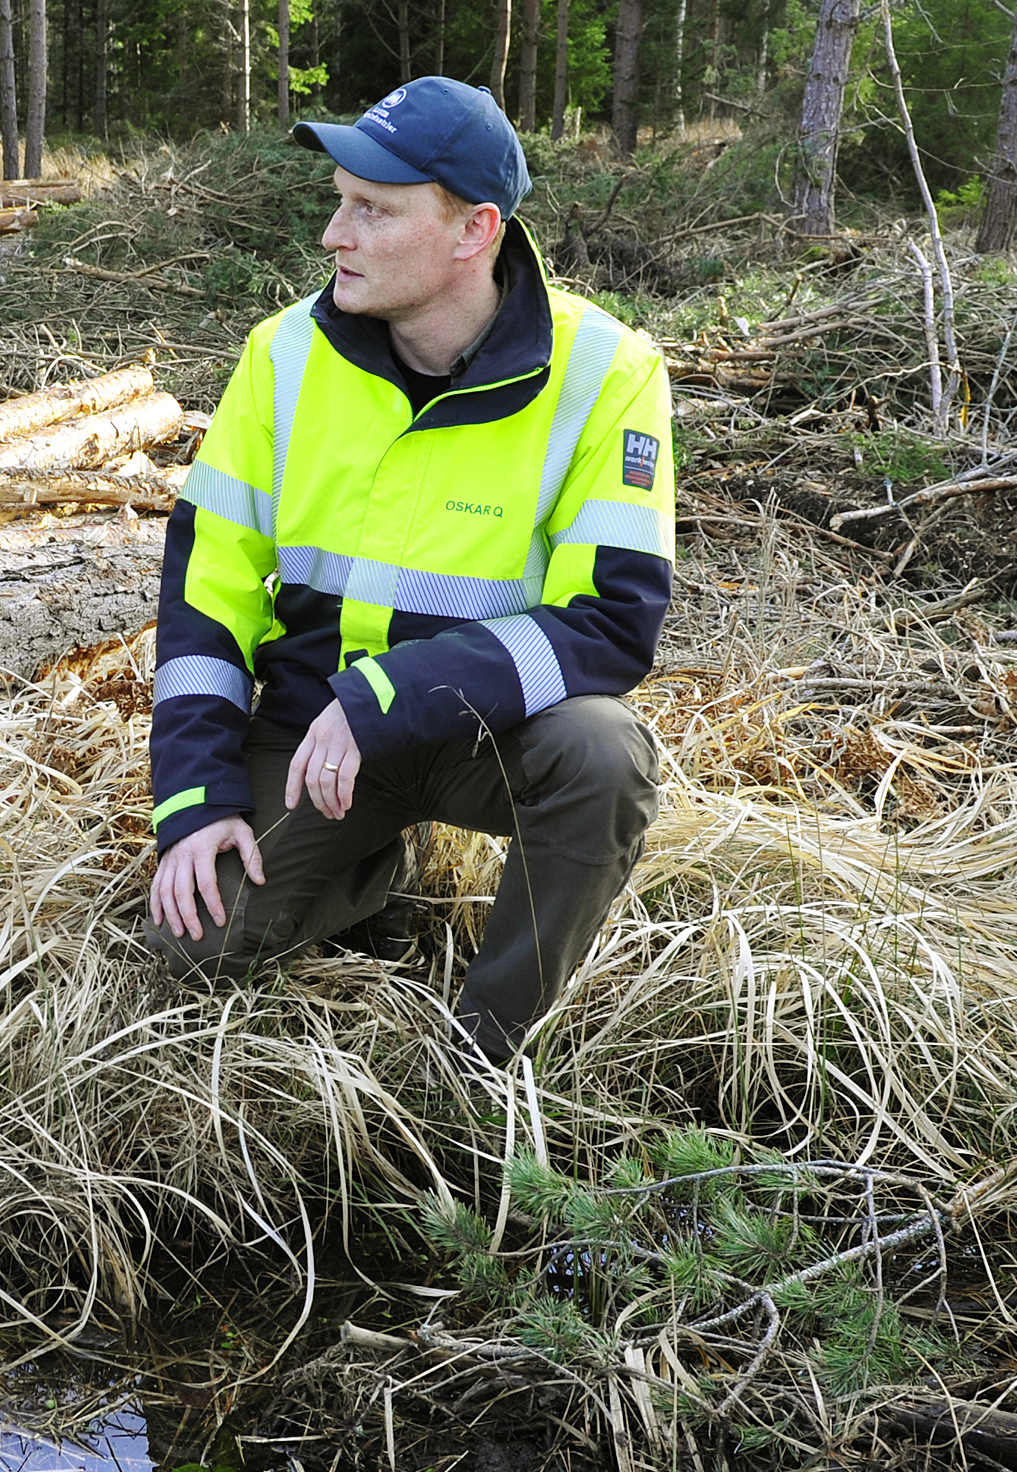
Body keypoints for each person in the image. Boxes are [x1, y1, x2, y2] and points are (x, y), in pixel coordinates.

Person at [143, 76, 674, 1065]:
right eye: (338, 200)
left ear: (473, 232)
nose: (333, 235)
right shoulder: (283, 357)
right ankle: (366, 880)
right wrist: (194, 801)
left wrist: (392, 693)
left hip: (493, 734)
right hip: (313, 737)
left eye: (371, 211)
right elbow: (202, 603)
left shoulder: (606, 371)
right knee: (190, 949)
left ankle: (487, 1057)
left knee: (605, 755)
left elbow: (612, 618)